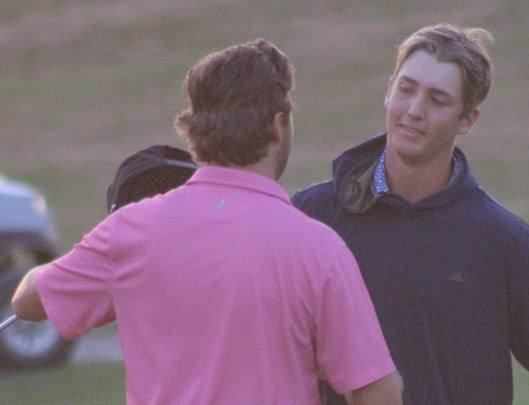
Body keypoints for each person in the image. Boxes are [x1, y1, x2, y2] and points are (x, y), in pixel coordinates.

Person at [12, 39, 403, 405]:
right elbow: (378, 390)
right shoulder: (319, 248)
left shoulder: (129, 233)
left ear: (196, 130)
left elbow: (28, 303)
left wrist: (104, 251)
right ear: (276, 126)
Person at [292, 24, 529, 404]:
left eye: (438, 100)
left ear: (468, 120)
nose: (414, 111)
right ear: (388, 89)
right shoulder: (313, 216)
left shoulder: (503, 241)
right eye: (406, 89)